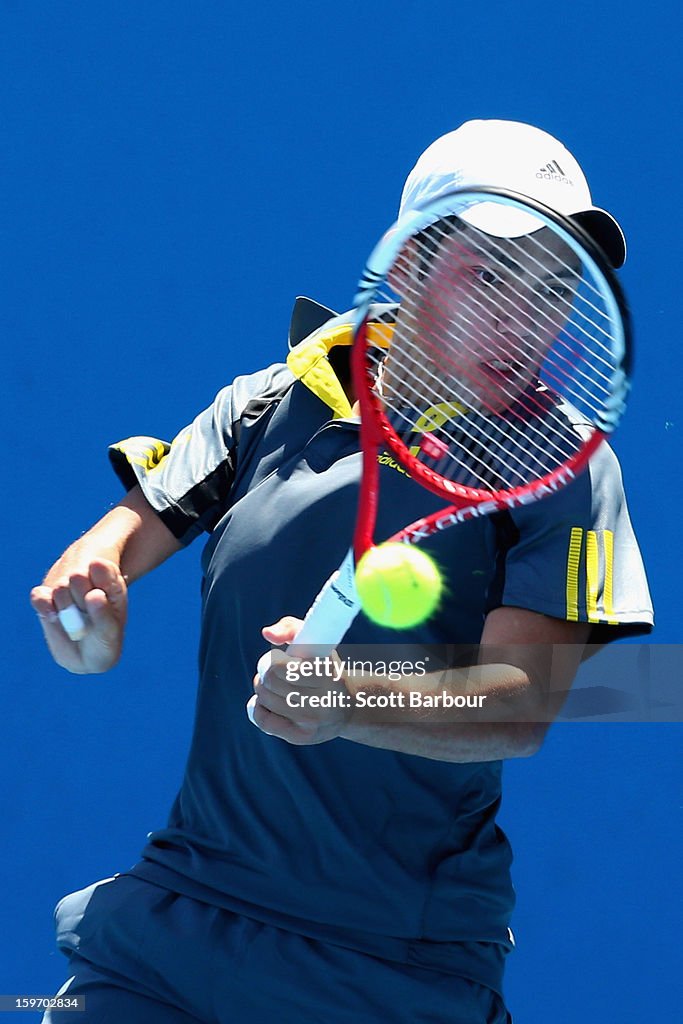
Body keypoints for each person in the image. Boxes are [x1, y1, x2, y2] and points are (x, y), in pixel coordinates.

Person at [31, 119, 653, 1024]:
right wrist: (85, 607)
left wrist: (345, 692)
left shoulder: (566, 464)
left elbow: (522, 700)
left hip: (395, 966)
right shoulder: (267, 403)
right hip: (177, 929)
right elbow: (115, 542)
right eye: (490, 277)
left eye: (556, 286)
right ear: (405, 268)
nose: (525, 318)